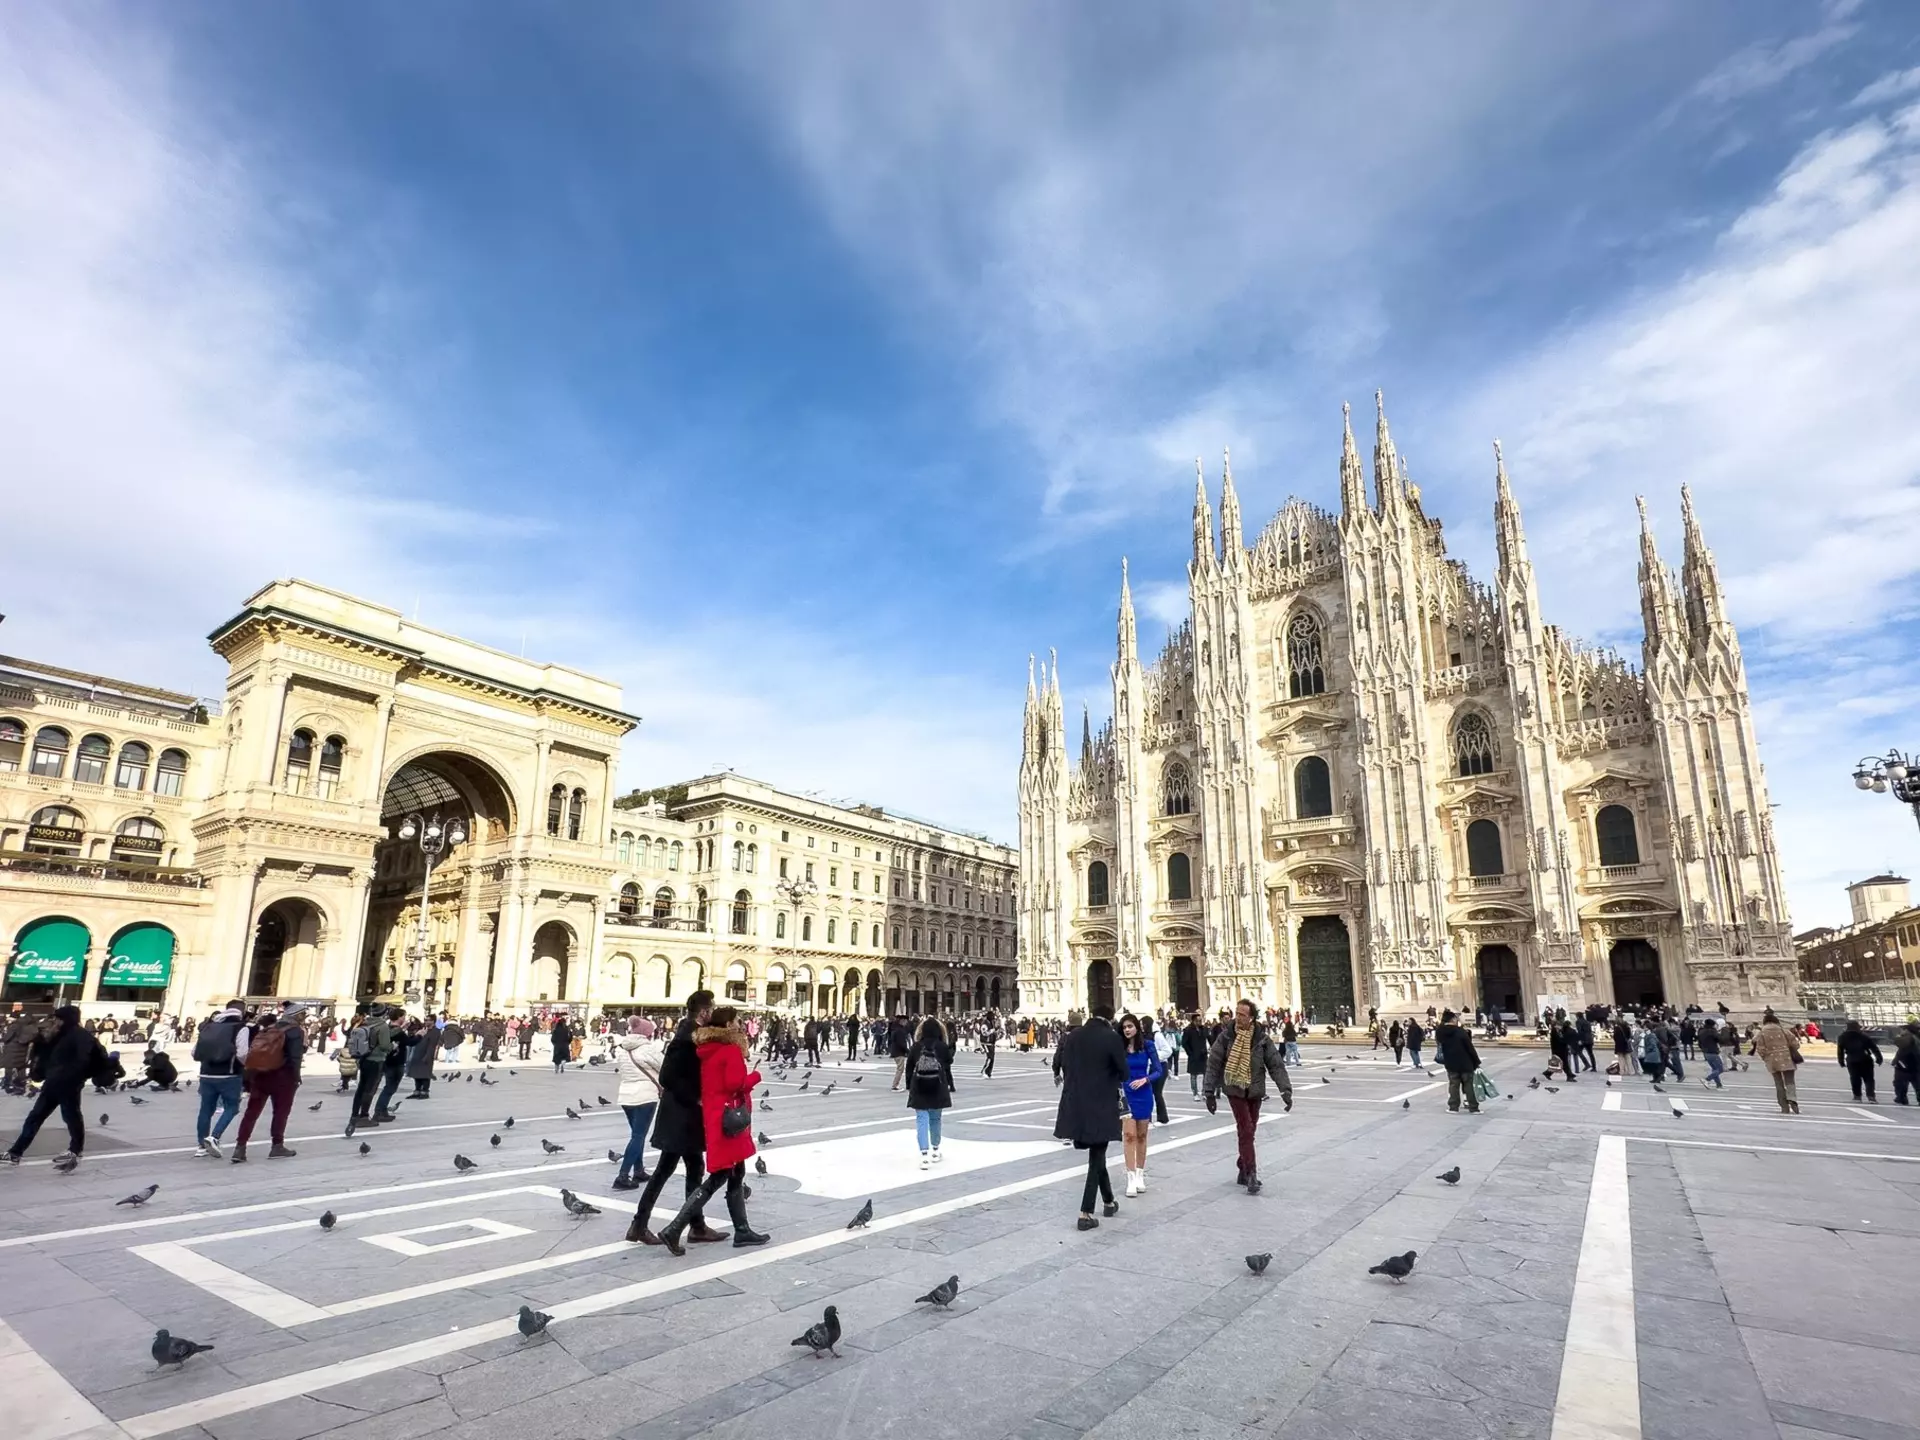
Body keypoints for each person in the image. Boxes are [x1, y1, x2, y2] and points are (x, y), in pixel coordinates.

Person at [657, 1006, 767, 1253]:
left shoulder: (708, 1050)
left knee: (735, 1172)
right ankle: (674, 1229)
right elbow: (735, 1084)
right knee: (720, 1176)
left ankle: (742, 1230)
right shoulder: (730, 1050)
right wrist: (755, 1076)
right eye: (738, 1021)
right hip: (729, 1121)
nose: (741, 1025)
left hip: (717, 1117)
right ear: (728, 1025)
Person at [627, 991, 727, 1247]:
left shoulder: (689, 1032)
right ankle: (645, 1225)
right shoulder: (687, 1037)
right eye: (711, 1009)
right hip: (681, 1116)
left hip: (682, 1116)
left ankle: (694, 1225)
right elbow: (667, 1077)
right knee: (667, 1170)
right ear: (704, 1012)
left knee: (691, 1167)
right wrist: (696, 1098)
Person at [1203, 999, 1292, 1194]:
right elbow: (1213, 1064)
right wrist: (1209, 1092)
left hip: (1255, 1090)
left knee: (1249, 1131)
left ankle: (1242, 1166)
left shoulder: (1261, 1039)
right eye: (1237, 1013)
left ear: (1251, 1017)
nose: (1238, 1017)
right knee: (1245, 1128)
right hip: (1234, 1089)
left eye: (1242, 1014)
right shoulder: (1226, 1037)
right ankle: (1251, 1174)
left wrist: (1285, 1090)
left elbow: (1275, 1065)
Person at [1054, 1004, 1127, 1229]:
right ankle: (1085, 1213)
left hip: (1075, 1103)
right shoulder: (1111, 1037)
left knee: (1098, 1152)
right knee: (1096, 1156)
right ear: (1110, 1017)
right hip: (1101, 1104)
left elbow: (1065, 1064)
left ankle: (1109, 1201)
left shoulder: (1073, 1036)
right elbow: (1124, 1072)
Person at [5, 1006, 104, 1168]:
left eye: (59, 1019)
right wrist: (40, 1048)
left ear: (67, 1019)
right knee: (36, 1117)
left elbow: (85, 1061)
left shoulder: (81, 1036)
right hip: (53, 1083)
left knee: (70, 1117)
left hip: (68, 1085)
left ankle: (76, 1149)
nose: (55, 1022)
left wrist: (72, 1077)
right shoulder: (59, 1035)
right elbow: (49, 1058)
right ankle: (15, 1153)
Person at [232, 1004, 306, 1162]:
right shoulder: (295, 1031)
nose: (304, 1017)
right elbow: (295, 1057)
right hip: (283, 1077)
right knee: (280, 1112)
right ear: (297, 1015)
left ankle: (240, 1147)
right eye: (303, 1014)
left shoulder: (269, 1028)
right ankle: (277, 1146)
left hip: (261, 1074)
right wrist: (296, 1076)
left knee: (252, 1112)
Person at [610, 1018, 663, 1189]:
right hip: (645, 1096)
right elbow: (665, 1067)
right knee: (638, 1136)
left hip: (626, 1096)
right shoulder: (648, 1049)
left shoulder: (623, 1049)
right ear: (647, 1033)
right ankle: (622, 1176)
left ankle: (638, 1170)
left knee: (636, 1134)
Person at [1118, 1013, 1164, 1196]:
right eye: (1124, 1027)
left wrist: (1145, 1080)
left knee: (1142, 1136)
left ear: (1137, 1027)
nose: (1127, 1030)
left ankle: (1140, 1175)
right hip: (1127, 1095)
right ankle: (1130, 1178)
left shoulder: (1148, 1046)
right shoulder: (1119, 1048)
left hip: (1144, 1093)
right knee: (1129, 1135)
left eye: (1130, 1026)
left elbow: (1158, 1070)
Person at [905, 1016, 955, 1167]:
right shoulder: (941, 1046)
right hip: (937, 1087)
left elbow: (909, 1067)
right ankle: (935, 1149)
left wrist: (909, 1085)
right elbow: (948, 1064)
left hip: (919, 1087)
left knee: (922, 1119)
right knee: (935, 1119)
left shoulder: (916, 1047)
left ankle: (924, 1155)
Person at [349, 1006, 394, 1128]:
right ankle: (364, 1116)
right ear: (384, 1014)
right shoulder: (382, 1026)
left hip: (364, 1058)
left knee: (361, 1088)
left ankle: (354, 1115)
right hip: (376, 1060)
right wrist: (393, 1046)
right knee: (370, 1089)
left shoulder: (365, 1022)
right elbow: (385, 1045)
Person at [1752, 1008, 1801, 1115]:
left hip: (1772, 1059)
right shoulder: (1784, 1030)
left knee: (1778, 1083)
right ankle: (1792, 1098)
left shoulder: (1762, 1032)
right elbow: (1796, 1044)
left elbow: (1760, 1048)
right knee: (1790, 1081)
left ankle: (1784, 1106)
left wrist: (1765, 1057)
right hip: (1787, 1058)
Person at [1434, 1009, 1482, 1114]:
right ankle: (1473, 1107)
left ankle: (1453, 1107)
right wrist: (1476, 1062)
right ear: (1453, 1019)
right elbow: (1470, 1048)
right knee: (1468, 1086)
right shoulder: (1460, 1031)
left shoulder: (1440, 1032)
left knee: (1453, 1085)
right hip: (1465, 1062)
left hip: (1451, 1063)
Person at [1836, 1019, 1883, 1103]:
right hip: (1865, 1059)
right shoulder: (1864, 1036)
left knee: (1855, 1078)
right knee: (1869, 1079)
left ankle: (1857, 1096)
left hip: (1852, 1059)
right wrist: (1879, 1058)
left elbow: (1840, 1050)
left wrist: (1841, 1061)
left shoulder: (1842, 1037)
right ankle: (1871, 1096)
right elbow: (1873, 1047)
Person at [2, 1007, 36, 1095]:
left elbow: (6, 1038)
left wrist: (3, 1036)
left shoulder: (14, 1026)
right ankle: (22, 1084)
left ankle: (7, 1084)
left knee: (8, 1066)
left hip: (11, 1050)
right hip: (22, 1050)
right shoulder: (26, 1026)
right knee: (21, 1067)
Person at [405, 1017, 437, 1098]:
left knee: (425, 1074)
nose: (426, 1021)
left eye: (428, 1020)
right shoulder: (422, 1030)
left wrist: (427, 1056)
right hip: (417, 1053)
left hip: (426, 1055)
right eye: (425, 1020)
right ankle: (417, 1090)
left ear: (433, 1021)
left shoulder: (435, 1031)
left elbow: (432, 1046)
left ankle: (425, 1092)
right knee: (416, 1074)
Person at [1181, 1014, 1210, 1096]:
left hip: (1203, 1055)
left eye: (1201, 1020)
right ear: (1194, 1021)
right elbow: (1184, 1043)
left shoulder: (1204, 1029)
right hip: (1193, 1055)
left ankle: (1204, 1092)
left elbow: (1209, 1038)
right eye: (1198, 1021)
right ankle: (1195, 1093)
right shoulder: (1188, 1030)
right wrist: (1190, 1053)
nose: (1200, 1022)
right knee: (1193, 1075)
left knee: (1206, 1074)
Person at [1894, 1021, 1920, 1106]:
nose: (1901, 1031)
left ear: (1907, 1030)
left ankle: (1901, 1098)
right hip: (1915, 1063)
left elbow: (1899, 1043)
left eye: (1902, 1029)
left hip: (1905, 1064)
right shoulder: (1915, 1037)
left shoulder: (1908, 1037)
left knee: (1900, 1082)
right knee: (1917, 1083)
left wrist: (1898, 1037)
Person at [1698, 1016, 1726, 1088]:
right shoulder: (1712, 1031)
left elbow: (1699, 1043)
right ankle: (1706, 1079)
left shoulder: (1701, 1031)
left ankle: (1718, 1084)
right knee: (1720, 1069)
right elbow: (1720, 1039)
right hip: (1713, 1052)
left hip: (1706, 1052)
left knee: (1714, 1069)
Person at [887, 1014, 911, 1089]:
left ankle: (895, 1084)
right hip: (899, 1052)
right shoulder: (900, 1031)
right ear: (902, 1021)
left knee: (900, 1069)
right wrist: (907, 1051)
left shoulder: (895, 1029)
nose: (906, 1023)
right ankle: (895, 1085)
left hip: (895, 1051)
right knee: (900, 1069)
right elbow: (901, 1043)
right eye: (905, 1021)